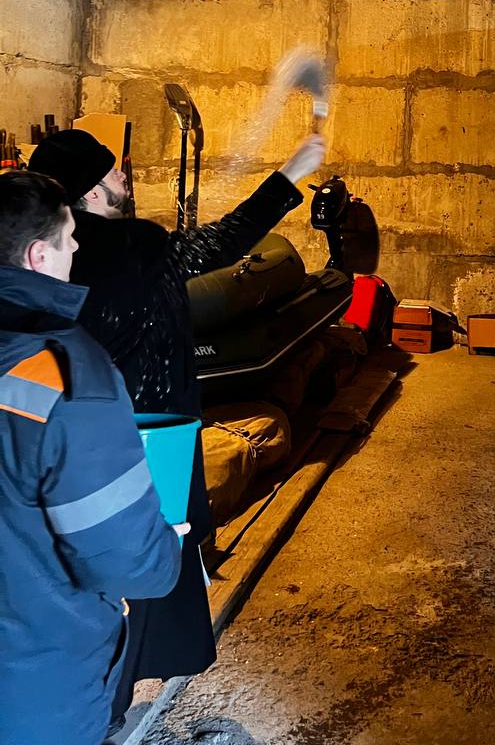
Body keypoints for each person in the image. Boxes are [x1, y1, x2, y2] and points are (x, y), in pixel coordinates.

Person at [29, 127, 326, 732]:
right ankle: (106, 708)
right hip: (153, 436)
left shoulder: (52, 259)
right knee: (143, 571)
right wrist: (289, 176)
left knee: (89, 572)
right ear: (92, 191)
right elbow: (224, 241)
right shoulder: (139, 248)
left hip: (81, 441)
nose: (125, 177)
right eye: (114, 171)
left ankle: (93, 702)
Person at [0, 170, 185, 745]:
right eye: (68, 237)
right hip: (33, 684)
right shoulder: (69, 378)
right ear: (38, 256)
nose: (77, 247)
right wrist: (168, 547)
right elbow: (130, 561)